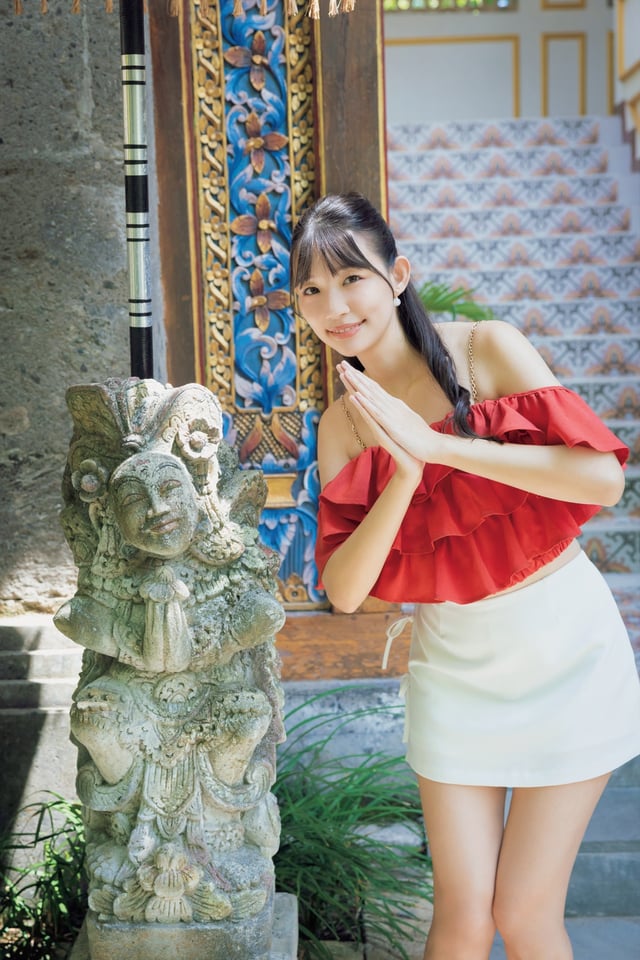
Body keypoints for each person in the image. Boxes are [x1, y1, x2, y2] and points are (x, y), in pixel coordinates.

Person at [290, 192, 640, 960]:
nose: (334, 307)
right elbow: (346, 591)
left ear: (398, 276)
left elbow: (602, 480)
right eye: (311, 290)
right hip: (453, 668)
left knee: (525, 911)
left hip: (567, 654)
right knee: (461, 917)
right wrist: (406, 473)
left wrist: (441, 447)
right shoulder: (341, 424)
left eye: (351, 279)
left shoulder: (487, 350)